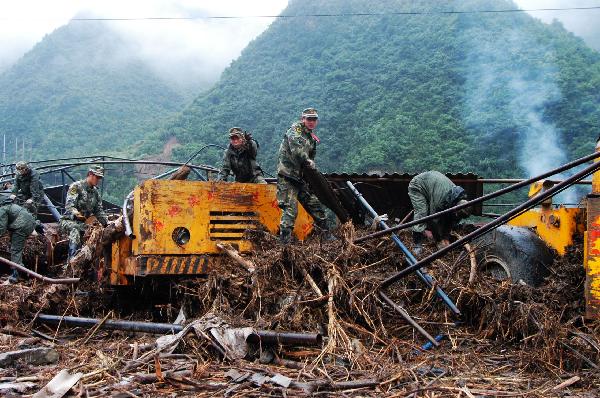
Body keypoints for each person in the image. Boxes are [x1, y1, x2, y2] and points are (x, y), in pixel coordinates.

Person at [276, 108, 334, 244]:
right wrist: (308, 161)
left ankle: (327, 236)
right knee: (290, 211)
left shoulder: (311, 138)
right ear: (303, 119)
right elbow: (298, 151)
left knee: (316, 206)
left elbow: (311, 161)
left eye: (314, 119)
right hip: (287, 177)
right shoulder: (295, 131)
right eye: (309, 119)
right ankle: (285, 244)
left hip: (300, 179)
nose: (311, 122)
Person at [408, 170, 471, 254]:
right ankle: (417, 243)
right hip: (418, 185)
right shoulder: (440, 200)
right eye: (457, 214)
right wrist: (439, 240)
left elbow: (451, 219)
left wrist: (446, 237)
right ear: (455, 208)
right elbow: (434, 219)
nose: (457, 216)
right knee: (422, 213)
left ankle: (436, 237)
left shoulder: (456, 198)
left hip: (432, 185)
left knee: (446, 216)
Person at [60, 166, 108, 258]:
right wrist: (78, 215)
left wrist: (107, 223)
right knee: (76, 231)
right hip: (69, 221)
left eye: (99, 178)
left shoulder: (95, 193)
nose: (98, 180)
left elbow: (99, 211)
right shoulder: (76, 186)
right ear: (90, 174)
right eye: (97, 177)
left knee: (97, 234)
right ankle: (72, 262)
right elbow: (69, 206)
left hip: (84, 224)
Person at [0, 193, 36, 283]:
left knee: (15, 250)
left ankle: (18, 274)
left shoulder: (2, 209)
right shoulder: (10, 205)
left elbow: (2, 227)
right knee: (15, 247)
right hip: (28, 223)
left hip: (21, 226)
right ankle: (23, 273)